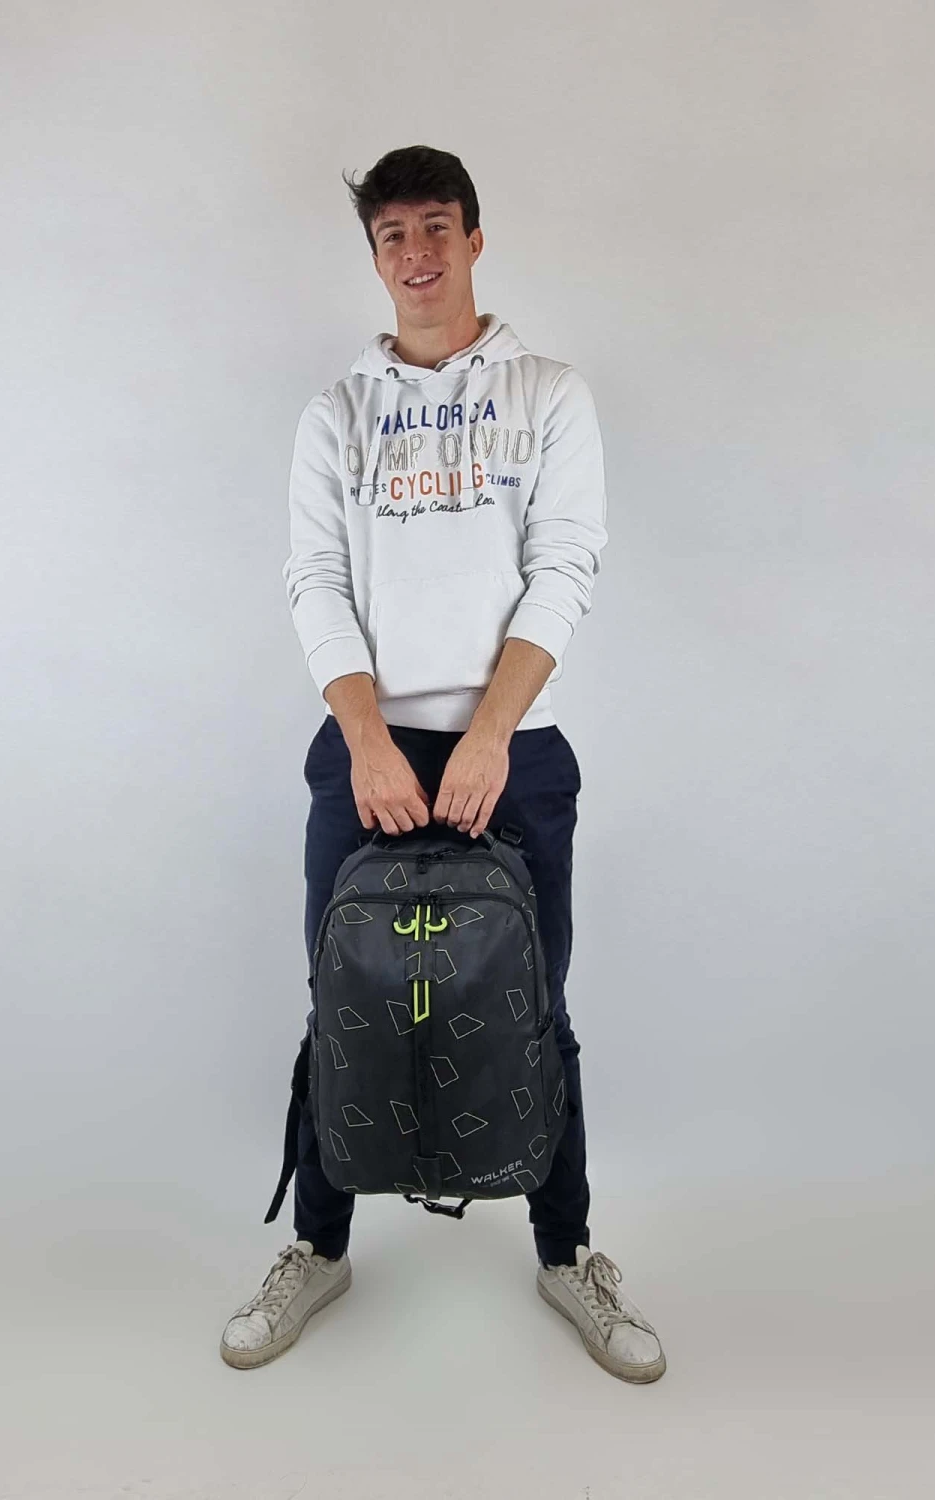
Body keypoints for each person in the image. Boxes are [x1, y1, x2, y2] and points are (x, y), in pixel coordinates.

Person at [219, 146, 665, 1383]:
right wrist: (368, 740)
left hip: (513, 748)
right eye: (392, 235)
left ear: (474, 239)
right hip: (366, 746)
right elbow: (316, 581)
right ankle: (319, 1246)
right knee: (343, 999)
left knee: (535, 1007)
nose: (415, 253)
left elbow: (564, 565)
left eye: (435, 226)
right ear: (373, 255)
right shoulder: (336, 414)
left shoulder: (548, 394)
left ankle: (568, 1255)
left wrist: (487, 735)